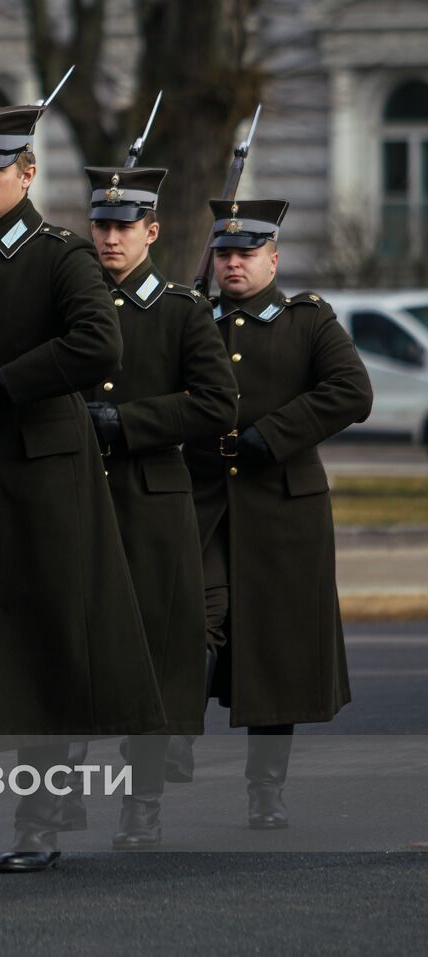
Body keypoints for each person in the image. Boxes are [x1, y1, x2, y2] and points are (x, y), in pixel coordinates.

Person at [0, 102, 165, 873]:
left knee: (45, 643)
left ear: (26, 173)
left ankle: (41, 819)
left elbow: (96, 342)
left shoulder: (61, 256)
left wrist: (9, 383)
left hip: (38, 476)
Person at [185, 198, 372, 829]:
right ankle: (166, 762)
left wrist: (276, 433)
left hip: (283, 510)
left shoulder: (308, 321)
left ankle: (266, 788)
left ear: (273, 257)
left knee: (275, 650)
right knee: (192, 625)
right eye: (225, 253)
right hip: (204, 500)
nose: (233, 264)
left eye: (246, 253)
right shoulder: (192, 317)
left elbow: (352, 391)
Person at [79, 165, 238, 847]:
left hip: (150, 502)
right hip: (81, 500)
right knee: (70, 649)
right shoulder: (72, 302)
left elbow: (217, 401)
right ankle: (51, 803)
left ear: (151, 231)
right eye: (102, 226)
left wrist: (128, 423)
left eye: (124, 227)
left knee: (151, 655)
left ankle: (141, 800)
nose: (111, 239)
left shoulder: (181, 310)